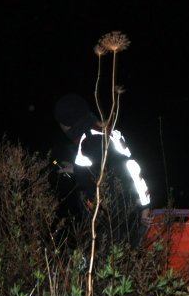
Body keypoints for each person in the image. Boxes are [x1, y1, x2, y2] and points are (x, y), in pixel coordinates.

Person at [53, 93, 152, 245]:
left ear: (70, 123)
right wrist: (75, 169)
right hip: (120, 215)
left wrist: (144, 209)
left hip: (112, 222)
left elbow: (124, 168)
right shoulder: (103, 132)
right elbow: (116, 168)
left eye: (62, 124)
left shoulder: (90, 141)